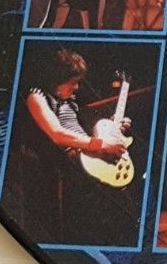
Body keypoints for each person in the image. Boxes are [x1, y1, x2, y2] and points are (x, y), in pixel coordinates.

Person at [11, 47, 127, 244]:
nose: (77, 87)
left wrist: (113, 127)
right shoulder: (36, 96)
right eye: (73, 82)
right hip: (65, 161)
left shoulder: (71, 103)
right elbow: (57, 134)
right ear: (59, 79)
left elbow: (91, 132)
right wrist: (101, 145)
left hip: (88, 156)